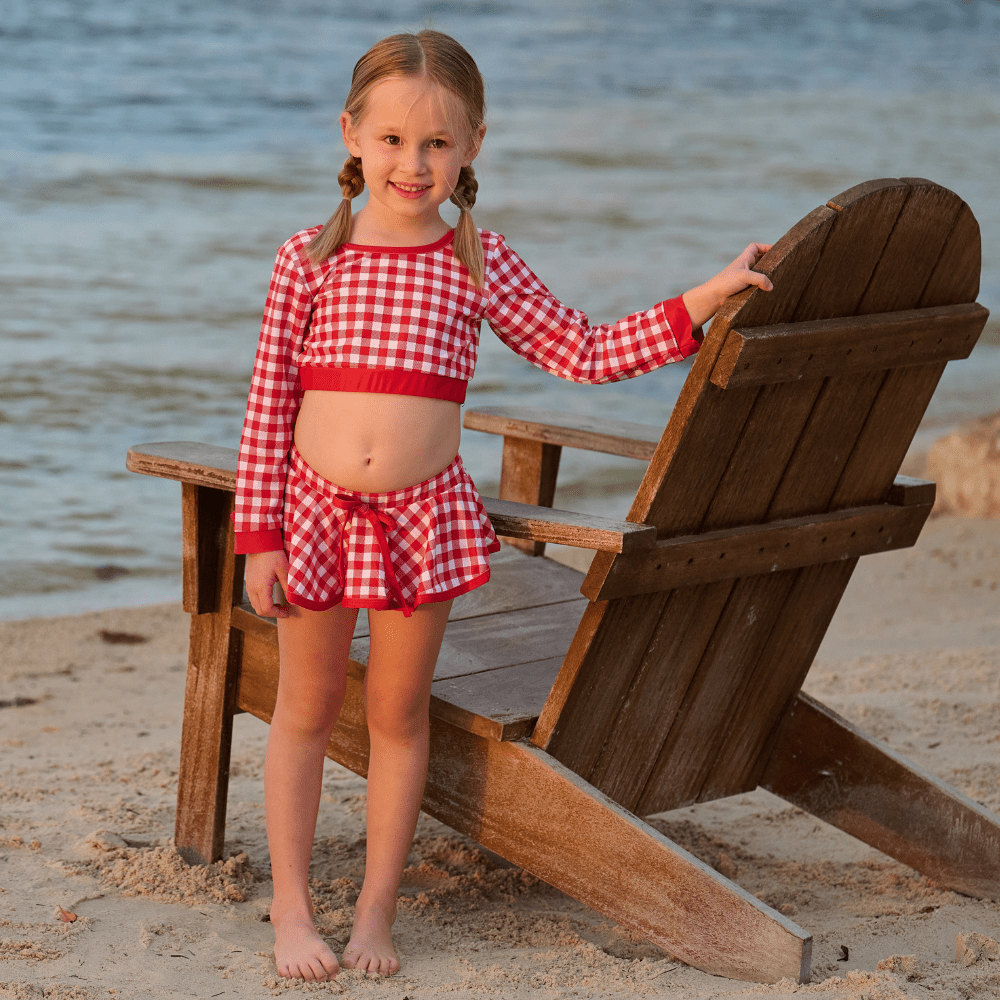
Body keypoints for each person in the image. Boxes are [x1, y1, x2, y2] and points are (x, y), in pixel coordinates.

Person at [234, 29, 773, 983]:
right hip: (315, 515)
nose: (413, 162)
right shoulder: (307, 259)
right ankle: (290, 910)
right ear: (351, 134)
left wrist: (705, 297)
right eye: (393, 139)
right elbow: (270, 401)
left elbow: (587, 351)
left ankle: (373, 915)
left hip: (422, 520)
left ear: (473, 144)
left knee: (401, 718)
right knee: (306, 710)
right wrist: (260, 533)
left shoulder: (479, 264)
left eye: (436, 143)